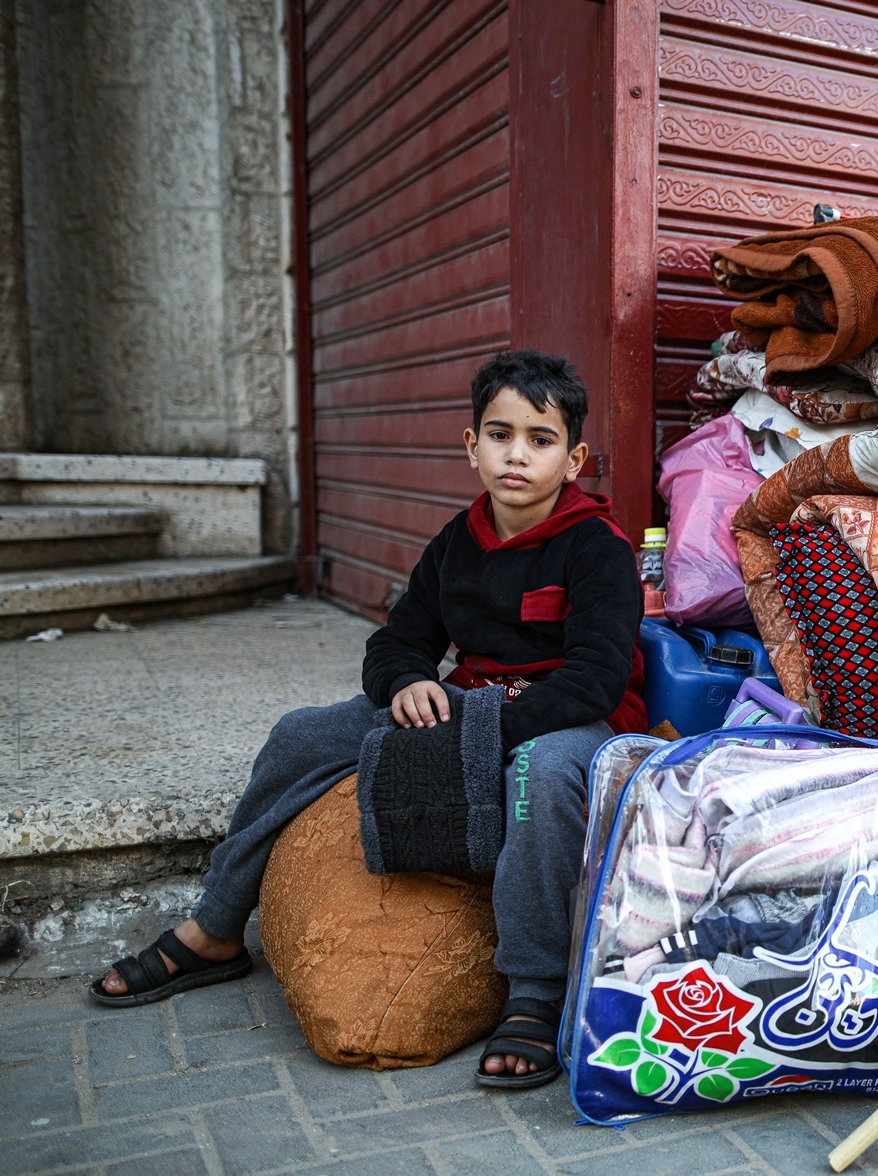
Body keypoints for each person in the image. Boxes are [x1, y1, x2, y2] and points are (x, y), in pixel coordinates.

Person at [91, 349, 647, 1090]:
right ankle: (216, 927)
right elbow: (397, 642)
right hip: (468, 704)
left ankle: (537, 991)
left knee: (538, 778)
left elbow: (596, 678)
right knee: (300, 732)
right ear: (470, 445)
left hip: (570, 721)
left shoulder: (597, 547)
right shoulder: (457, 542)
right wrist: (409, 682)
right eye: (500, 433)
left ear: (572, 458)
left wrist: (475, 732)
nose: (518, 454)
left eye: (540, 440)